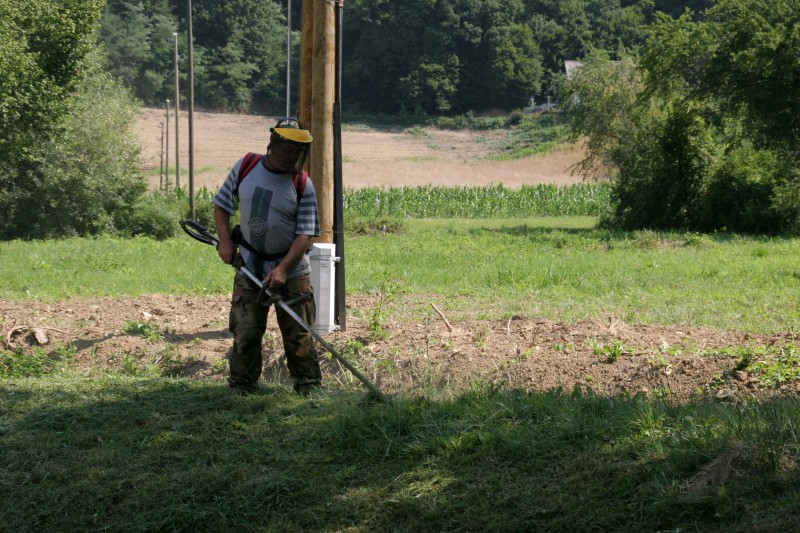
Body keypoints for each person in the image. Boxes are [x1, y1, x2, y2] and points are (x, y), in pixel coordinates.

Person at [212, 119, 322, 395]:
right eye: (288, 151)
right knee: (245, 332)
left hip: (293, 273)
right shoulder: (246, 167)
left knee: (299, 335)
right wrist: (225, 240)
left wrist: (282, 270)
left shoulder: (303, 184)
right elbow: (221, 205)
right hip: (249, 267)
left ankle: (308, 389)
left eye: (298, 152)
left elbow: (305, 235)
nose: (293, 158)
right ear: (272, 146)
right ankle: (242, 388)